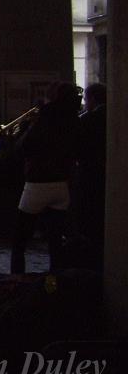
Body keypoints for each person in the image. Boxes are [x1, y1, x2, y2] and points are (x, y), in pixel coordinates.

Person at [10, 82, 82, 274]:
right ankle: (54, 285)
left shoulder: (45, 117)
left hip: (38, 183)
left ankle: (17, 283)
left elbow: (24, 147)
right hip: (62, 184)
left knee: (19, 241)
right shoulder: (74, 118)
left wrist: (28, 124)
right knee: (55, 242)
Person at [71, 83, 107, 272]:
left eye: (86, 100)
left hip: (88, 175)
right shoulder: (114, 116)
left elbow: (76, 150)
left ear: (91, 99)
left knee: (87, 221)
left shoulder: (88, 120)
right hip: (105, 174)